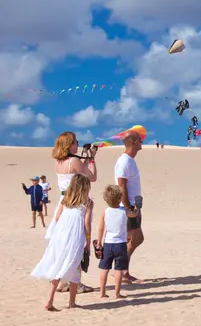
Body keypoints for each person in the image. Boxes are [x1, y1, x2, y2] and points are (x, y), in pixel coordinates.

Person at [31, 174, 93, 311]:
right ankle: (71, 302)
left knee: (58, 265)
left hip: (61, 235)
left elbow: (58, 217)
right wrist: (88, 240)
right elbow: (87, 223)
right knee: (75, 266)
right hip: (76, 236)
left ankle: (49, 300)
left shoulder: (65, 200)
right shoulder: (87, 202)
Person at [47, 132, 97, 294]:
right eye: (76, 142)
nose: (78, 144)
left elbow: (76, 170)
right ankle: (76, 282)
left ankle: (62, 281)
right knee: (77, 242)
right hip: (76, 203)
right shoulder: (74, 160)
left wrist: (85, 159)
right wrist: (92, 158)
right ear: (70, 144)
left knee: (63, 244)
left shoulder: (58, 162)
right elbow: (91, 177)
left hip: (63, 203)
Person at [96, 185, 139, 299]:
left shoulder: (105, 212)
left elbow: (101, 228)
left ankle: (102, 292)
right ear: (120, 198)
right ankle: (117, 293)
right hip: (120, 244)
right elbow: (133, 214)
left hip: (108, 244)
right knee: (119, 269)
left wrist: (99, 242)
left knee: (104, 269)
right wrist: (137, 208)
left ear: (105, 200)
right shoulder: (124, 211)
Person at [114, 129, 144, 283]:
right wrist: (128, 208)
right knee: (137, 238)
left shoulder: (130, 160)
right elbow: (121, 186)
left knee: (131, 239)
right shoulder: (124, 161)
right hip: (129, 207)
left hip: (134, 206)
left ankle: (123, 271)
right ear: (132, 142)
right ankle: (121, 270)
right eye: (139, 139)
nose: (142, 141)